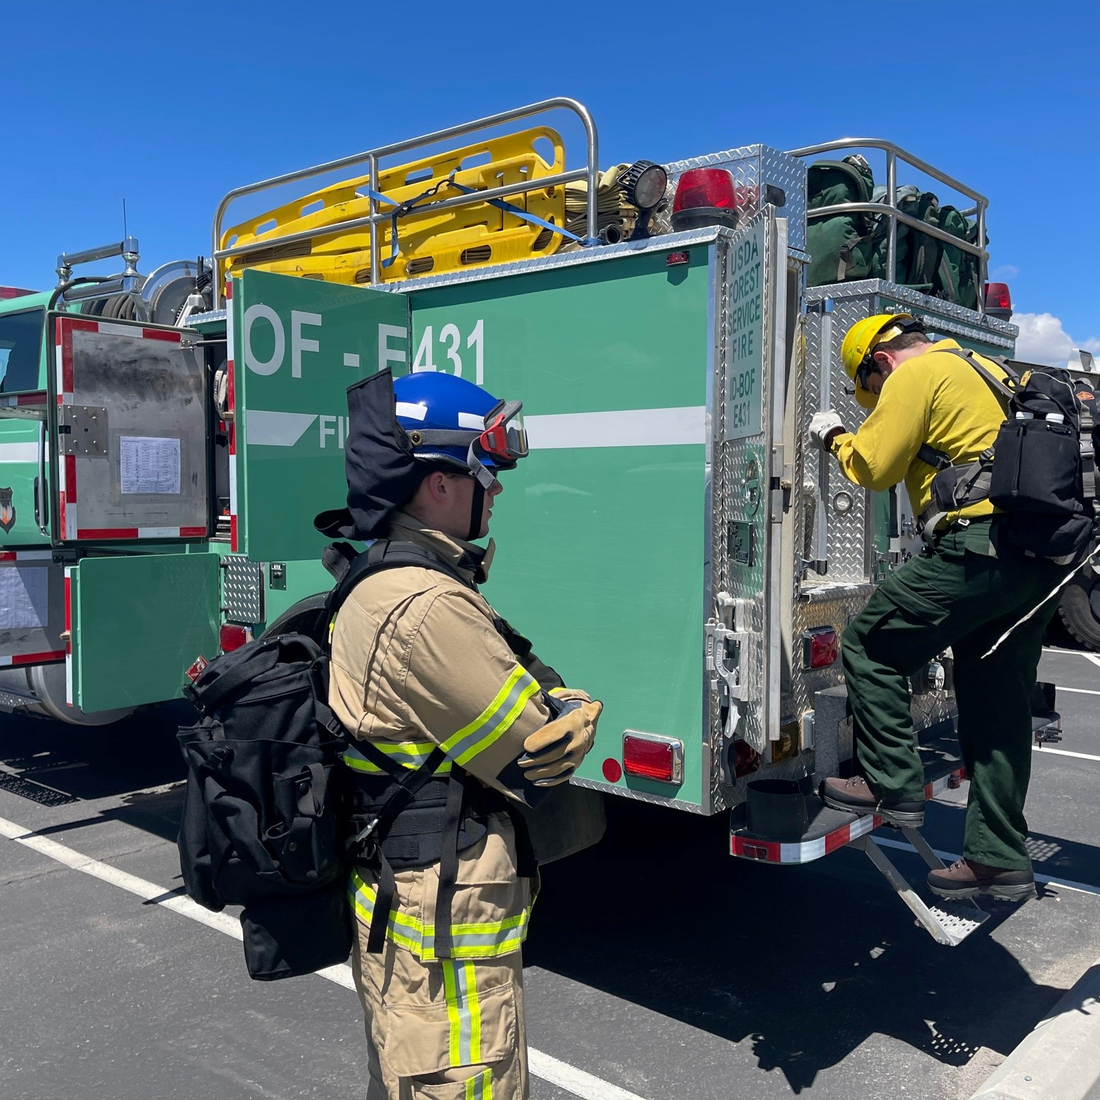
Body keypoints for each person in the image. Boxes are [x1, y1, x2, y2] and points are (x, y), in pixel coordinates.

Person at [314, 368, 602, 1100]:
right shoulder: (426, 605)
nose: (497, 489)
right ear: (438, 482)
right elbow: (538, 754)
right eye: (487, 470)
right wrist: (573, 706)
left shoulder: (384, 577)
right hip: (439, 930)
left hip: (408, 908)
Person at [808, 313, 1068, 903]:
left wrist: (834, 437)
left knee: (871, 643)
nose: (874, 400)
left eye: (868, 390)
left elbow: (874, 468)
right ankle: (998, 859)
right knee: (999, 703)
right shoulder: (989, 370)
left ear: (879, 361)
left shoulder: (913, 374)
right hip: (1038, 557)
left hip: (979, 546)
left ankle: (889, 783)